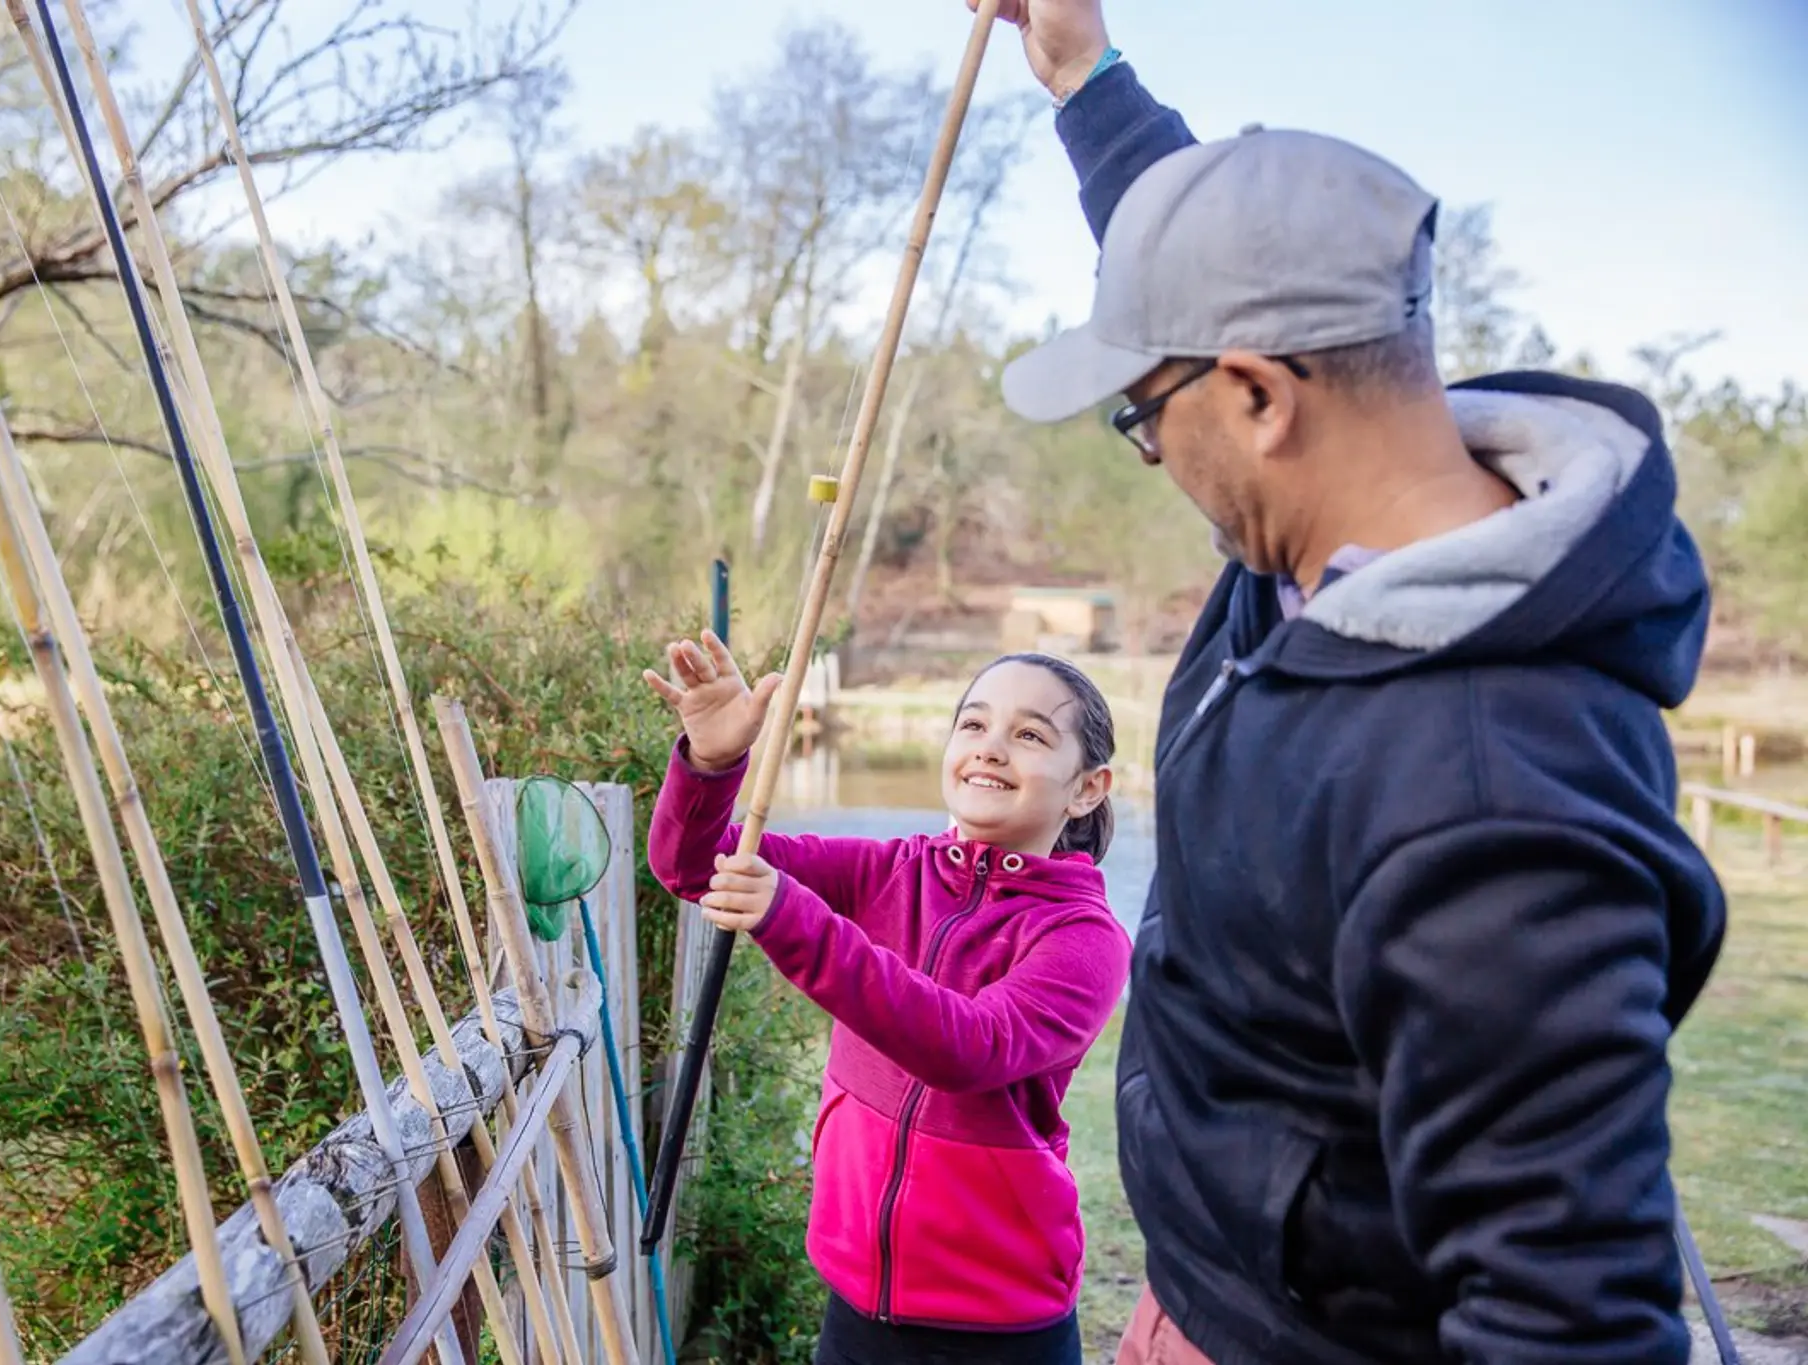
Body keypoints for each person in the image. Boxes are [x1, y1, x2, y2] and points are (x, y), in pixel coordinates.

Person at [975, 3, 1731, 1363]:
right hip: (1205, 1294)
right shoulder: (1317, 546)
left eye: (1146, 417)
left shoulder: (1494, 805)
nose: (1153, 453)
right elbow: (1213, 255)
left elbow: (1570, 1322)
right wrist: (1084, 75)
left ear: (1263, 398)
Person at [644, 635, 1131, 1365]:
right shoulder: (887, 870)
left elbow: (968, 1046)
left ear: (1088, 787)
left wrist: (792, 917)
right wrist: (711, 766)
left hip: (997, 1328)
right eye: (973, 724)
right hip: (854, 1302)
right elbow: (695, 867)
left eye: (1029, 734)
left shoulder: (1084, 936)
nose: (990, 747)